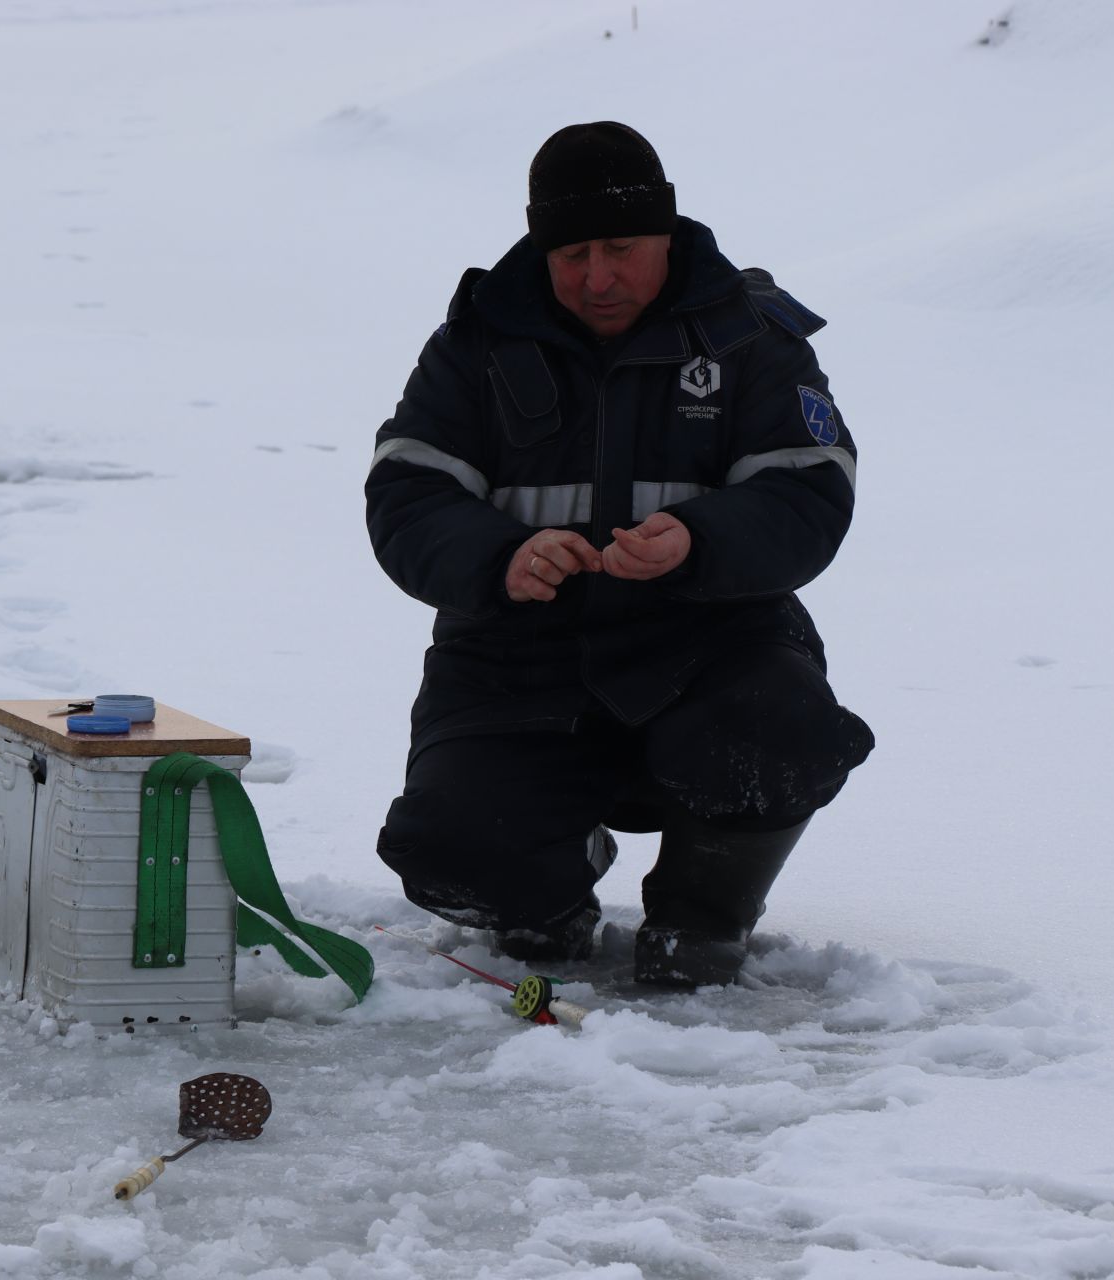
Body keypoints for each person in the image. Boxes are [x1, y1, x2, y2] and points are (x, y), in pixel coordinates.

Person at [364, 121, 873, 987]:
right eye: (571, 255)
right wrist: (502, 559)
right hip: (515, 658)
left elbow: (809, 491)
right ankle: (548, 893)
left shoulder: (751, 339)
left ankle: (701, 918)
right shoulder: (475, 344)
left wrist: (699, 540)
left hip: (711, 645)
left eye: (620, 248)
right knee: (446, 845)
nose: (596, 278)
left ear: (665, 234)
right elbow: (406, 493)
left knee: (782, 737)